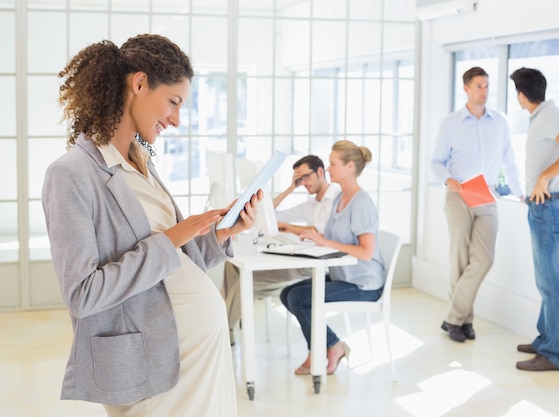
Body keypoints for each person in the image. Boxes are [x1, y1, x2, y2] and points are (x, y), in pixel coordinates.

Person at [42, 34, 261, 417]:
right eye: (173, 102)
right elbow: (83, 293)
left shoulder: (142, 163)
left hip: (196, 360)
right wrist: (172, 236)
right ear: (139, 84)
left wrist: (222, 233)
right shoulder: (71, 174)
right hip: (152, 370)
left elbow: (173, 263)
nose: (176, 119)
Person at [431, 66, 524, 343]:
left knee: (483, 259)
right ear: (466, 89)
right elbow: (436, 162)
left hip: (487, 195)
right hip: (459, 194)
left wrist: (521, 193)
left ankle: (452, 318)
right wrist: (448, 180)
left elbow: (509, 161)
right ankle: (464, 321)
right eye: (478, 86)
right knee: (459, 258)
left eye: (486, 86)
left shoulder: (500, 121)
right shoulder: (450, 123)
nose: (484, 92)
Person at [280, 140, 386, 375]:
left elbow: (366, 252)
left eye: (333, 163)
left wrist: (325, 242)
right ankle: (332, 344)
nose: (328, 168)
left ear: (350, 167)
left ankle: (321, 350)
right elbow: (328, 235)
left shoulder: (361, 203)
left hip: (364, 283)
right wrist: (307, 235)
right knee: (287, 294)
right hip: (344, 275)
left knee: (300, 298)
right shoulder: (340, 199)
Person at [509, 67, 559, 371]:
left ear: (521, 95)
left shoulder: (550, 116)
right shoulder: (546, 116)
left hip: (549, 207)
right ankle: (545, 340)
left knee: (551, 282)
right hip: (543, 206)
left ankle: (553, 354)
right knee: (546, 280)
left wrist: (543, 178)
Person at [222, 155, 340, 336]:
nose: (304, 183)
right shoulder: (311, 204)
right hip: (302, 256)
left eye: (305, 177)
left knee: (246, 280)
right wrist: (291, 188)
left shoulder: (337, 197)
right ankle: (226, 323)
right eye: (299, 179)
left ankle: (223, 330)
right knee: (232, 268)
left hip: (314, 266)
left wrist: (291, 228)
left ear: (320, 172)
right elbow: (272, 213)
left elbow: (329, 230)